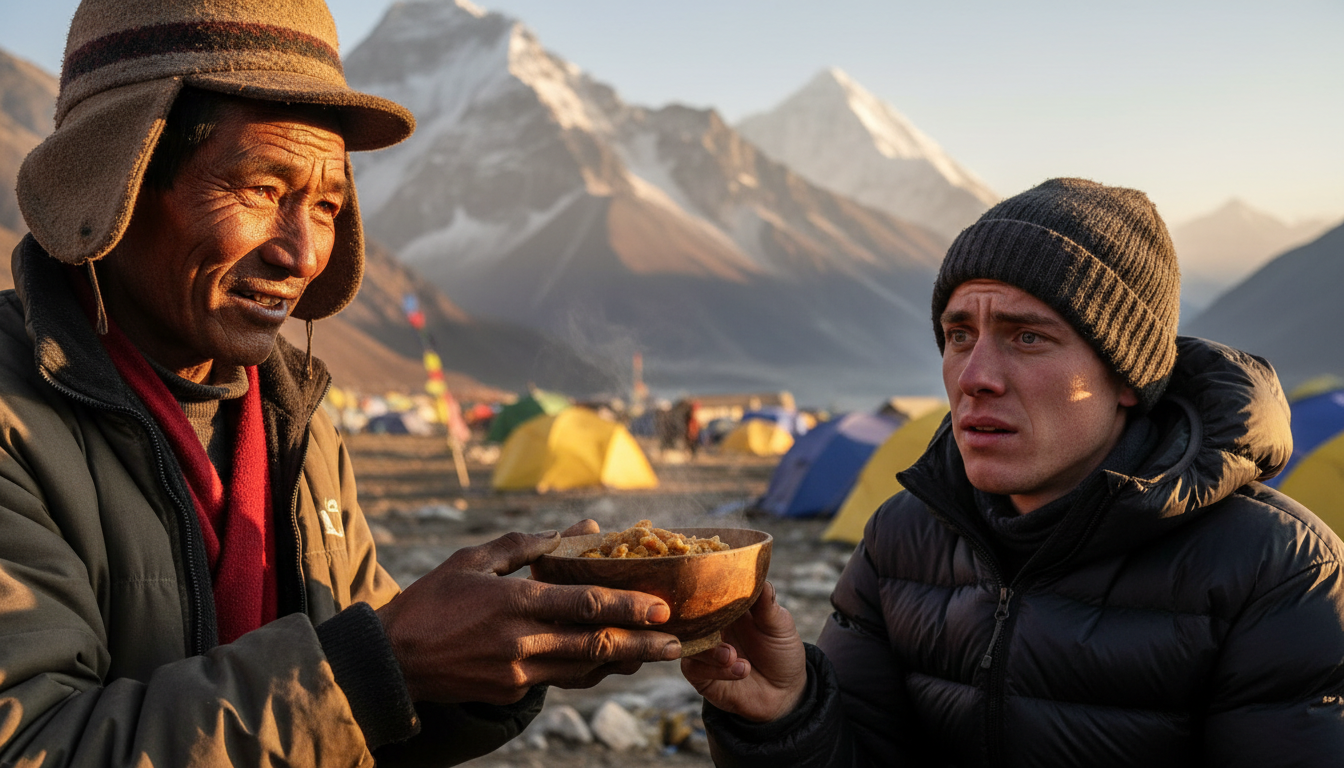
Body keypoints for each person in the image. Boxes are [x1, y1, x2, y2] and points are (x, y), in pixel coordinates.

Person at [0, 1, 680, 765]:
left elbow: (364, 717)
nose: (302, 253)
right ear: (118, 181)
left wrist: (496, 663)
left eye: (325, 206)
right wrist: (380, 665)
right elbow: (30, 744)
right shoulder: (13, 421)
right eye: (261, 190)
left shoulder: (294, 417)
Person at [682, 178, 1344, 766]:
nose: (974, 378)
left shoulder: (1278, 571)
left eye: (1028, 336)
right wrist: (786, 715)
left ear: (1127, 378)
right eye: (959, 333)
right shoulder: (901, 539)